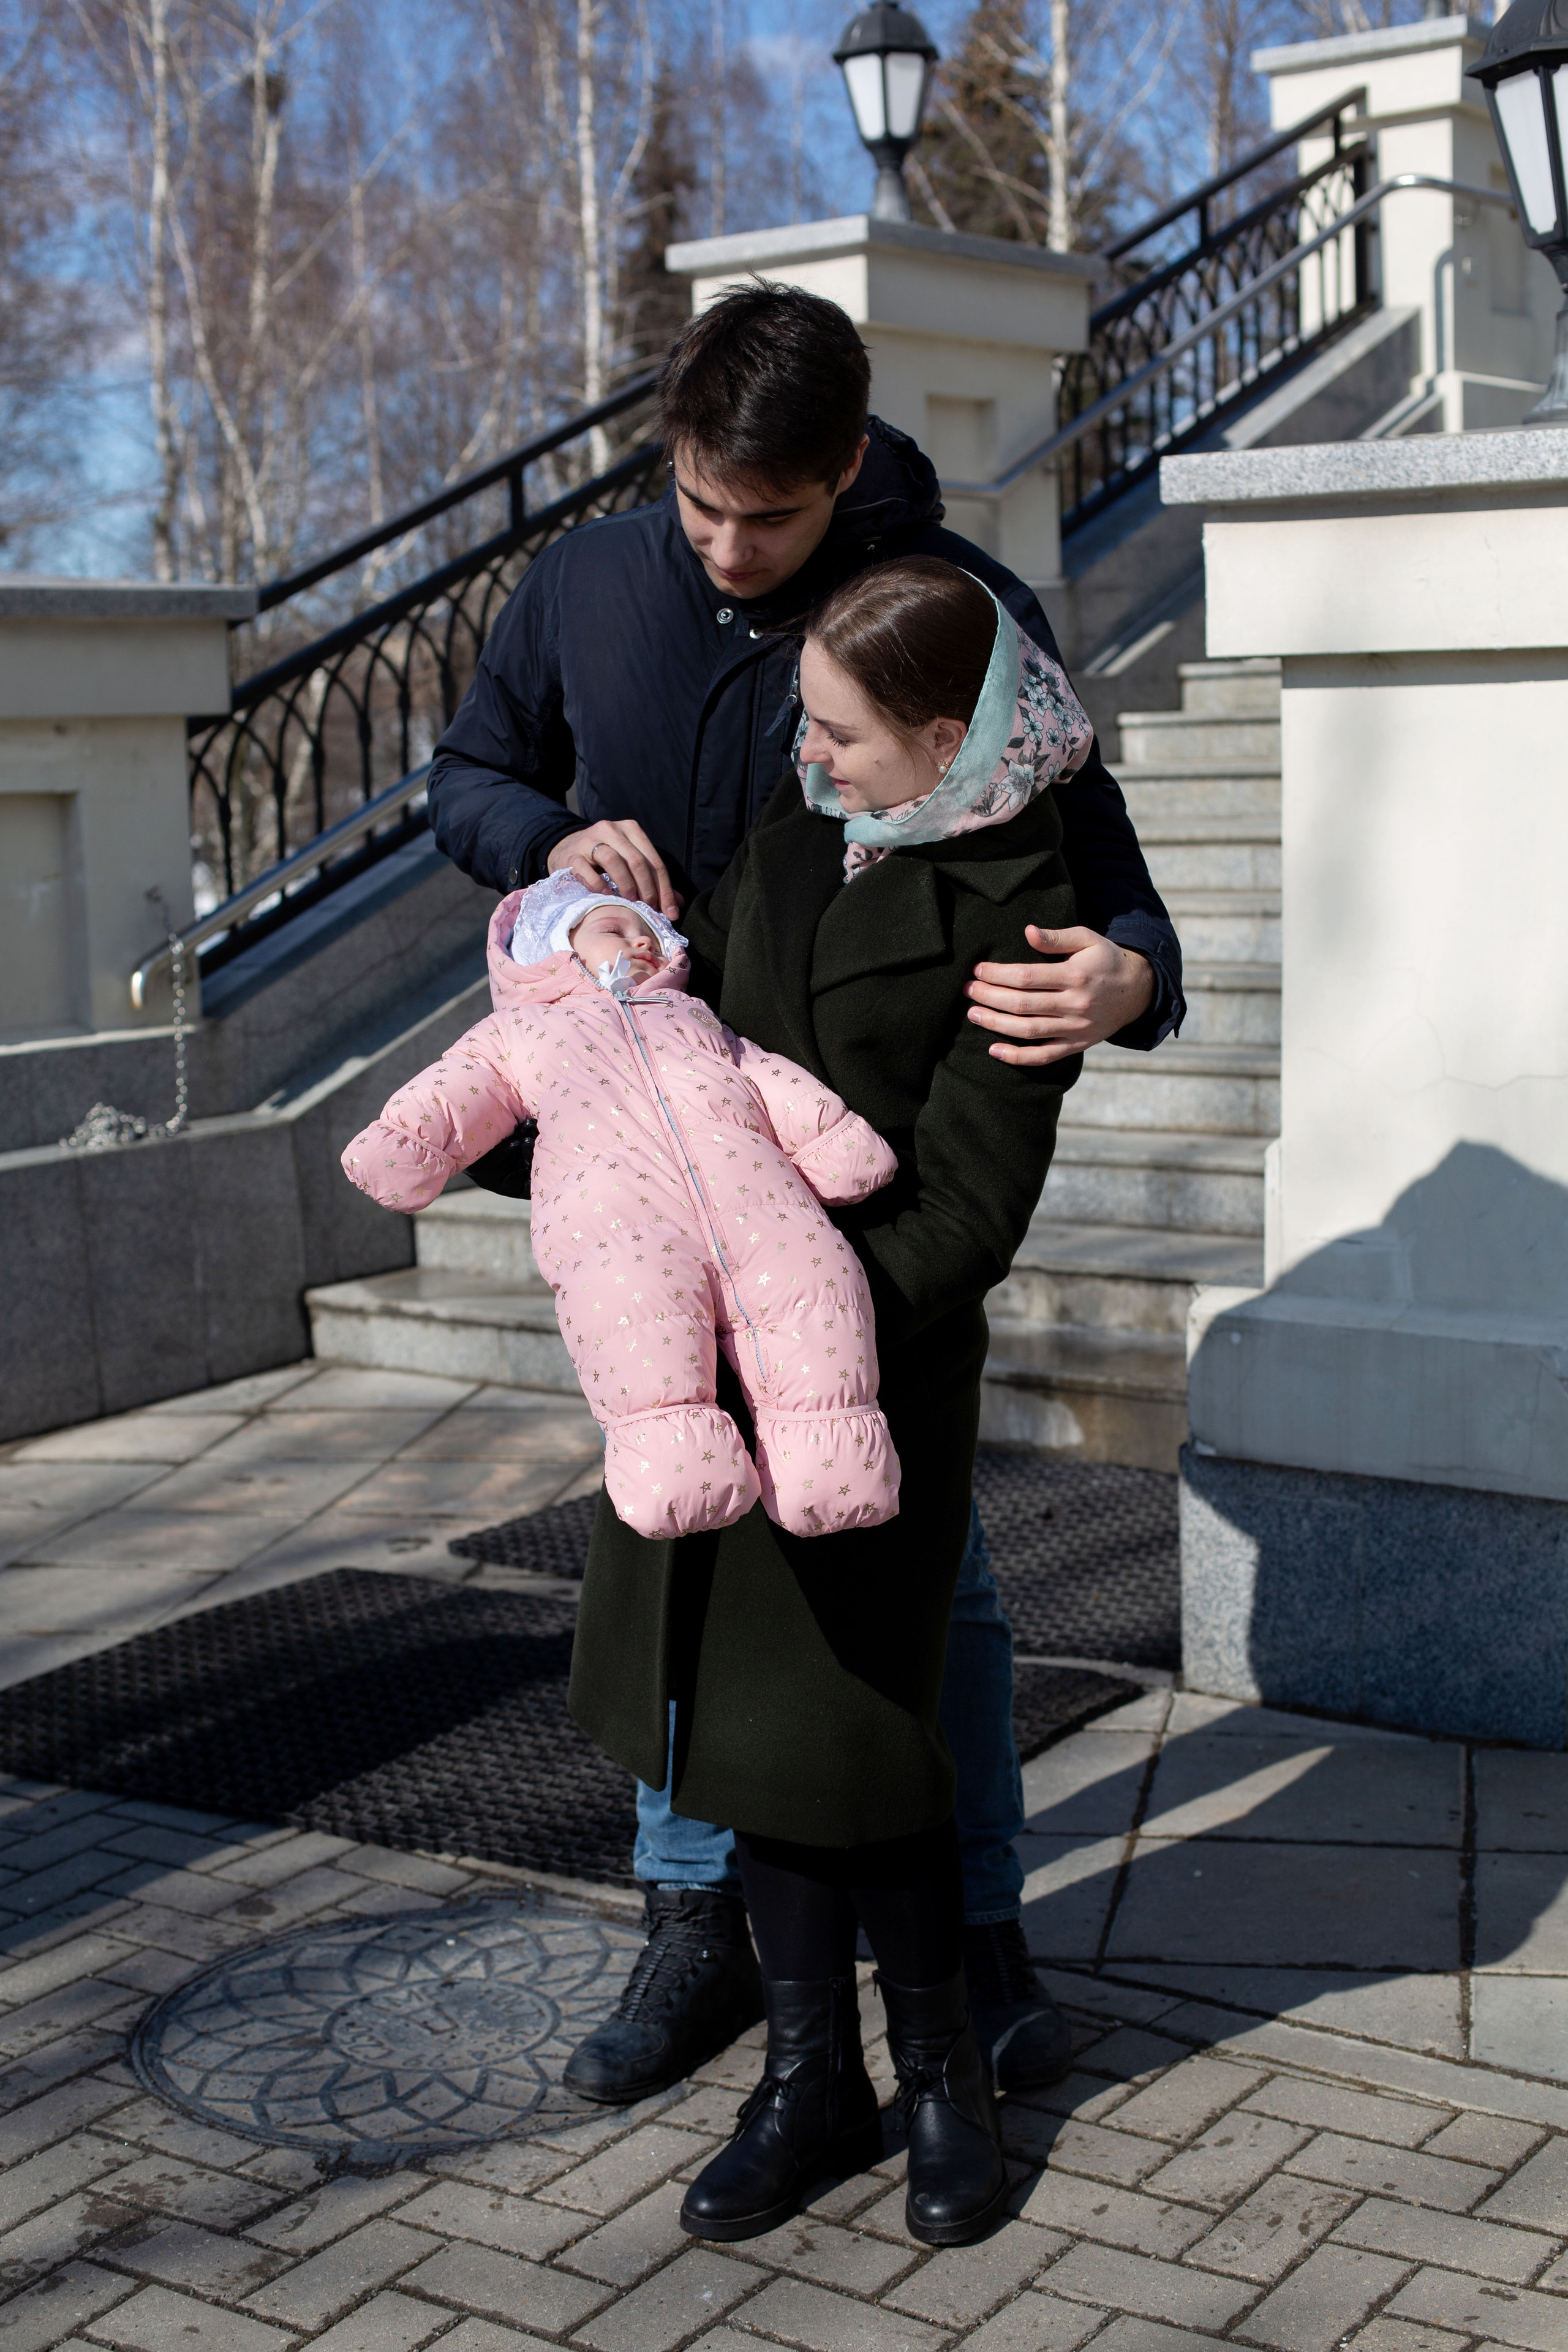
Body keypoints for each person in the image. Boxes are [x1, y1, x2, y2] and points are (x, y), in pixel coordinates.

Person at [425, 281, 1185, 2102]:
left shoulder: (945, 607)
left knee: (948, 1581)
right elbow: (465, 778)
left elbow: (1103, 868)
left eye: (767, 512)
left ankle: (978, 1925)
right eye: (698, 503)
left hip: (869, 1180)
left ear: (846, 467)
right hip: (648, 1157)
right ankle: (693, 1922)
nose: (728, 545)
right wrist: (544, 844)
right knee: (670, 1511)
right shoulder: (586, 581)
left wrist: (1129, 975)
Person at [571, 556, 1085, 2246]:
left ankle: (939, 2077)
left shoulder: (1022, 900)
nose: (810, 752)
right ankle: (812, 2082)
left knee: (872, 1735)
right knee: (755, 1740)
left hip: (872, 1389)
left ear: (946, 738)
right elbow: (685, 1050)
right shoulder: (786, 849)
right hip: (724, 1375)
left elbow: (972, 1206)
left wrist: (803, 1316)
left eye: (843, 731)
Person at [339, 872, 905, 1540]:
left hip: (765, 1207)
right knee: (637, 1331)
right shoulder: (522, 1032)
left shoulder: (695, 1019)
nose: (640, 941)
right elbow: (459, 1087)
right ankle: (676, 1470)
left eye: (653, 935)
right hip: (618, 1225)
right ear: (555, 949)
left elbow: (764, 1074)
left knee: (817, 1284)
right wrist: (402, 1143)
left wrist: (834, 1141)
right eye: (615, 929)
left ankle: (831, 1464)